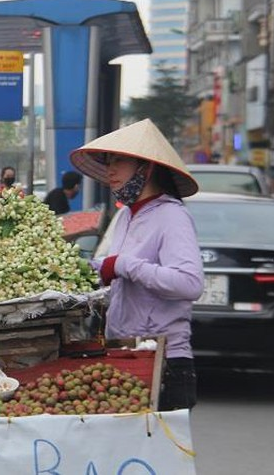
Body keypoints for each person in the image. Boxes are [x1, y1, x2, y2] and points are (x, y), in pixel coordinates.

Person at [70, 118, 204, 412]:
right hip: (124, 353)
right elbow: (113, 270)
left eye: (119, 161)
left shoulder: (172, 215)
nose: (110, 170)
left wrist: (125, 265)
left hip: (164, 359)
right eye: (108, 162)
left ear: (147, 167)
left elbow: (190, 284)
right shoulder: (126, 217)